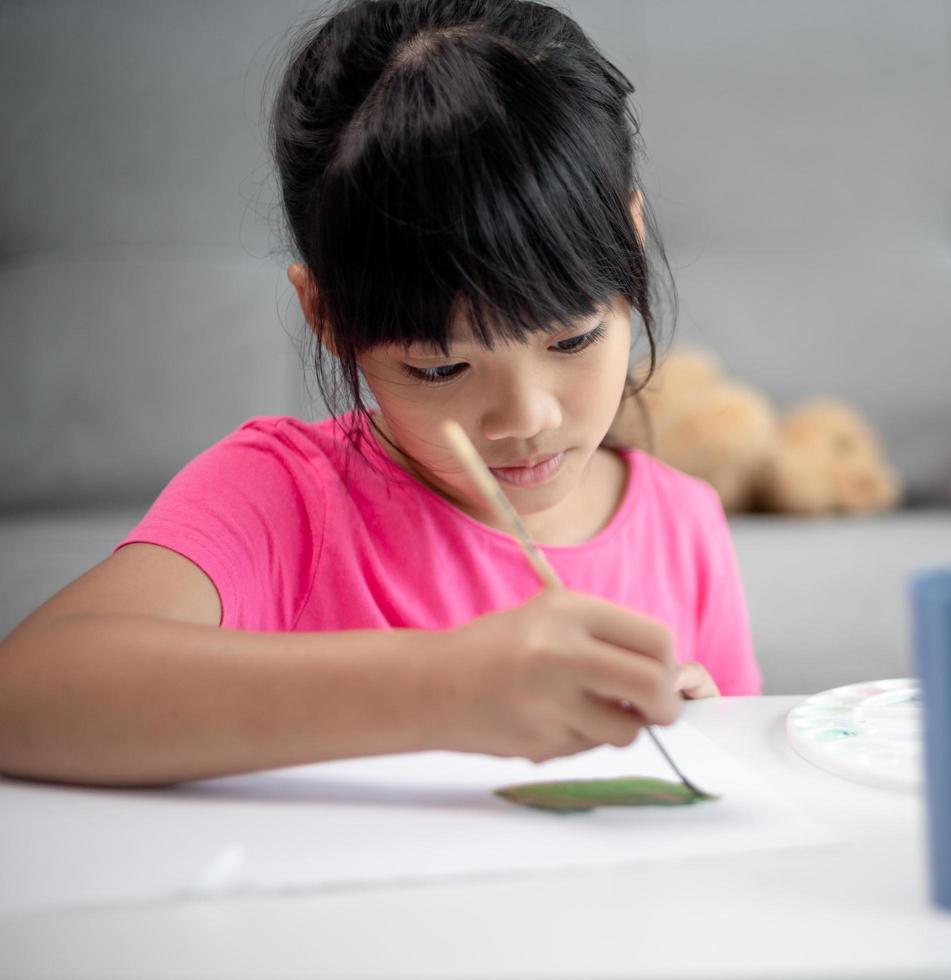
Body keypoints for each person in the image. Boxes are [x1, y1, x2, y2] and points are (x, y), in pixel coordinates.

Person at [0, 0, 761, 788]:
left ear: (630, 246)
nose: (526, 418)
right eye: (439, 369)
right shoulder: (283, 500)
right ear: (326, 315)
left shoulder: (685, 524)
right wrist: (444, 690)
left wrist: (707, 743)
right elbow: (21, 698)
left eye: (571, 340)